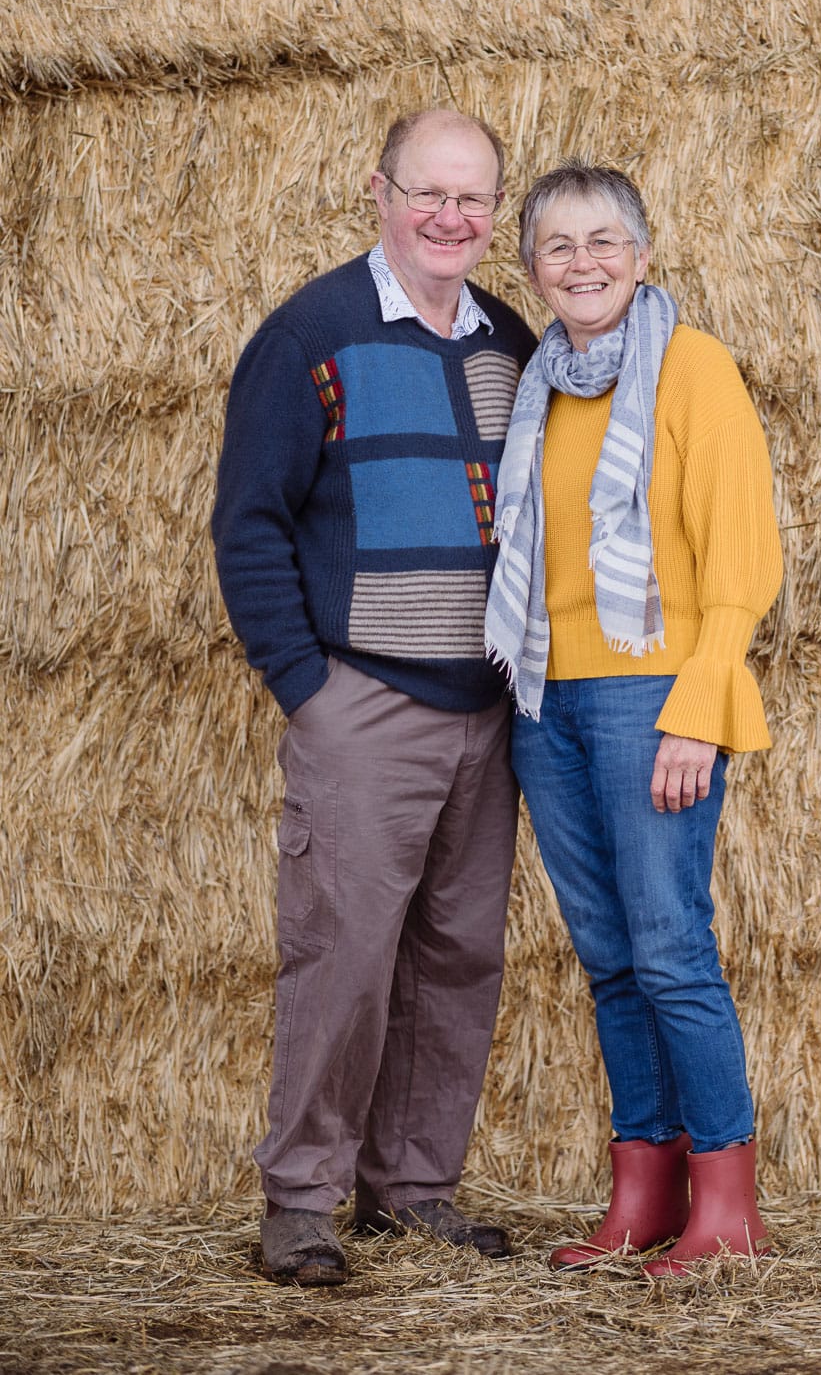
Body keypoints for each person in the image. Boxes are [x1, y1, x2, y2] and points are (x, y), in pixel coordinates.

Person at [212, 109, 537, 1285]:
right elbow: (247, 522)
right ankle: (300, 1201)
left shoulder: (508, 338)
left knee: (459, 956)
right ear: (378, 192)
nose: (450, 218)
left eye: (473, 199)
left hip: (484, 715)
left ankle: (411, 1187)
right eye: (428, 193)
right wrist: (308, 688)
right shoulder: (311, 333)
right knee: (342, 955)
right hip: (364, 708)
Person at [485, 159, 783, 1277]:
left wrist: (694, 709)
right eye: (558, 247)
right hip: (544, 698)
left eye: (604, 240)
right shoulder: (539, 386)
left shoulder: (690, 369)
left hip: (650, 694)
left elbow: (741, 555)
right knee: (609, 958)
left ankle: (726, 1208)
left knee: (668, 948)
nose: (583, 263)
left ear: (644, 255)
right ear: (530, 272)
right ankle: (643, 1195)